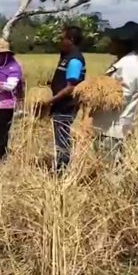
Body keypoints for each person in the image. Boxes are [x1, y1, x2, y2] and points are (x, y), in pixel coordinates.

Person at [92, 21, 138, 164]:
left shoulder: (129, 67)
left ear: (123, 44)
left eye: (114, 41)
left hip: (113, 131)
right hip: (106, 128)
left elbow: (119, 98)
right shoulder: (122, 64)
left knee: (109, 175)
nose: (110, 43)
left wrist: (91, 94)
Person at [47, 26, 86, 173]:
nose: (60, 41)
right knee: (60, 137)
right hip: (60, 106)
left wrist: (50, 100)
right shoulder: (66, 57)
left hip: (65, 106)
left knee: (62, 138)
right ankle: (61, 167)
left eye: (62, 38)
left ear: (71, 40)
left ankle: (62, 171)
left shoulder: (74, 60)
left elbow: (71, 87)